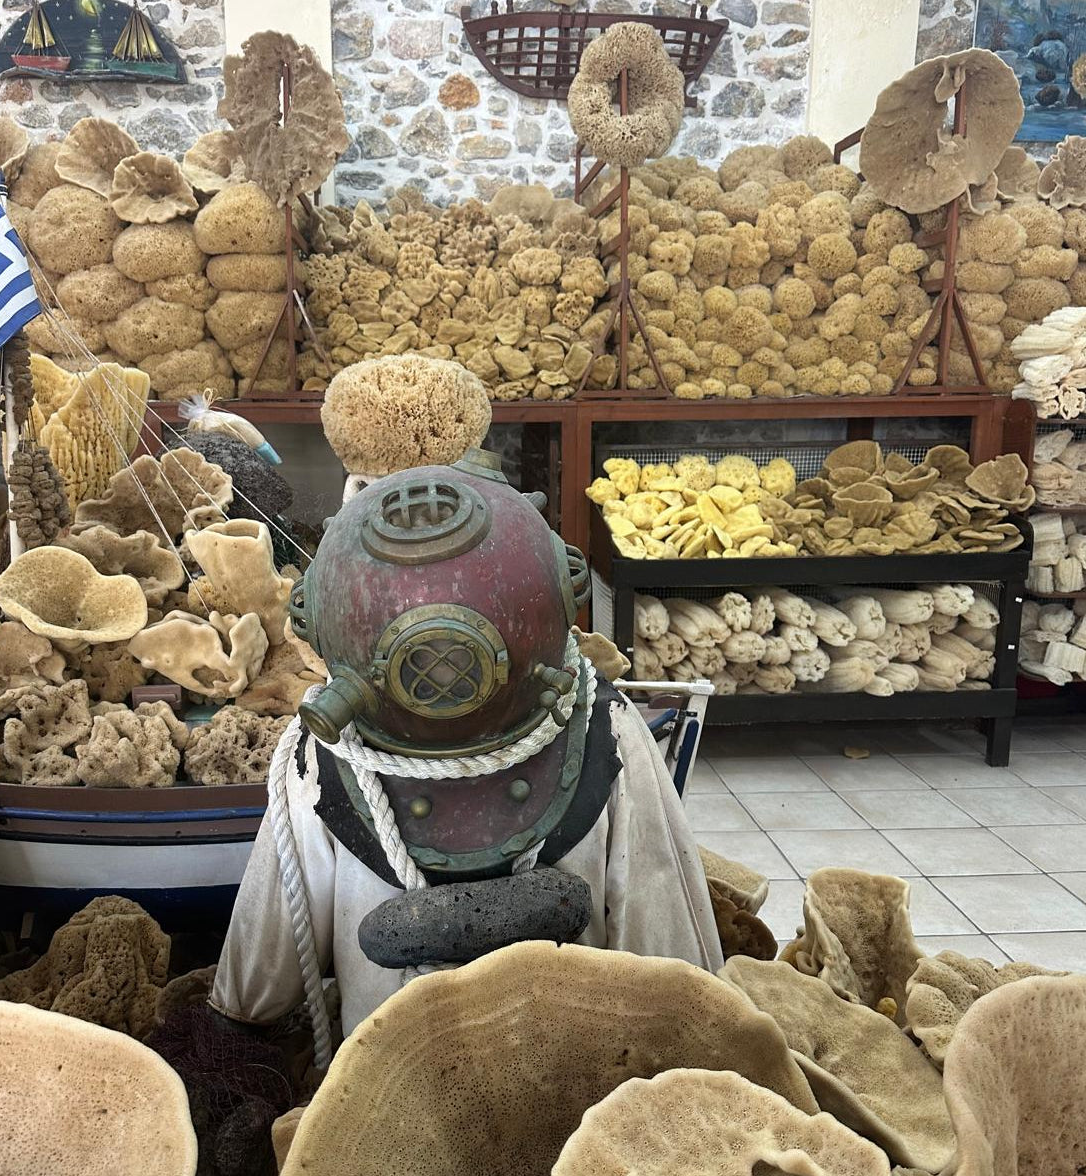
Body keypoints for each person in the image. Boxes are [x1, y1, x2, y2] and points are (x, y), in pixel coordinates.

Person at [208, 408, 723, 1063]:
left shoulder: (322, 754)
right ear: (566, 591)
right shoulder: (606, 728)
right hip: (559, 1086)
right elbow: (680, 976)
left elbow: (257, 990)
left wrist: (239, 1039)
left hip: (385, 1078)